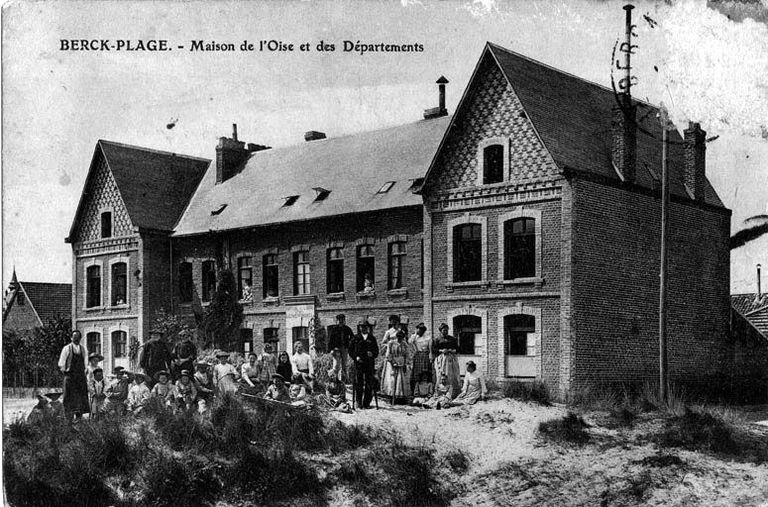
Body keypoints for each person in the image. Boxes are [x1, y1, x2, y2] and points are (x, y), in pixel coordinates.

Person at [57, 330, 90, 420]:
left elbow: (86, 364)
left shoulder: (83, 349)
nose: (76, 340)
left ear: (80, 338)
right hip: (70, 377)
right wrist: (66, 372)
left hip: (80, 378)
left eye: (78, 338)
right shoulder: (67, 348)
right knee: (68, 398)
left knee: (80, 398)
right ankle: (68, 419)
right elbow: (61, 363)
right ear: (71, 338)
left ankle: (79, 418)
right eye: (74, 338)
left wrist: (85, 371)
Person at [349, 319, 379, 409]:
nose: (363, 328)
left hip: (369, 364)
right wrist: (355, 357)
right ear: (359, 328)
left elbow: (376, 351)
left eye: (365, 327)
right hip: (359, 363)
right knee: (359, 383)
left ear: (368, 328)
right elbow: (350, 350)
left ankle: (366, 403)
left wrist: (372, 354)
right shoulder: (355, 338)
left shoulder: (372, 338)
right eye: (362, 327)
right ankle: (359, 402)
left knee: (369, 383)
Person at [433, 323, 461, 399]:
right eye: (443, 330)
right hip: (442, 359)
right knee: (442, 373)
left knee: (452, 374)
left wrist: (451, 350)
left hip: (451, 358)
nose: (445, 332)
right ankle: (441, 391)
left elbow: (458, 349)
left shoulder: (452, 339)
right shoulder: (437, 340)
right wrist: (441, 350)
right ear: (440, 331)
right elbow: (434, 350)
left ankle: (453, 392)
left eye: (446, 330)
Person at [381, 330, 410, 402]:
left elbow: (407, 354)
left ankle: (400, 396)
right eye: (399, 337)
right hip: (392, 363)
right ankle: (391, 396)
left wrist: (405, 363)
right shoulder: (391, 343)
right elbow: (388, 354)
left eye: (402, 338)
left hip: (401, 362)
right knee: (392, 379)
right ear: (396, 337)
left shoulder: (404, 344)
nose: (400, 339)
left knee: (401, 379)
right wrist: (392, 362)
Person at [327, 314, 354, 383]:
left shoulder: (347, 329)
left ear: (344, 321)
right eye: (339, 320)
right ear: (337, 321)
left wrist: (349, 345)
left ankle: (344, 380)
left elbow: (352, 338)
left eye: (342, 320)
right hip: (336, 350)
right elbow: (330, 340)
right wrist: (331, 349)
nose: (341, 321)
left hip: (344, 349)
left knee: (344, 366)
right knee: (336, 366)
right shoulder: (334, 329)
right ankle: (333, 378)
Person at [410, 323, 432, 394]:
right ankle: (415, 390)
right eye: (419, 329)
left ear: (423, 330)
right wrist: (415, 334)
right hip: (418, 356)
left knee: (425, 371)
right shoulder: (415, 337)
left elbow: (430, 349)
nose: (419, 331)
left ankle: (426, 391)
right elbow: (410, 342)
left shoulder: (427, 338)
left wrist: (430, 357)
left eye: (421, 330)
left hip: (425, 355)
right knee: (416, 373)